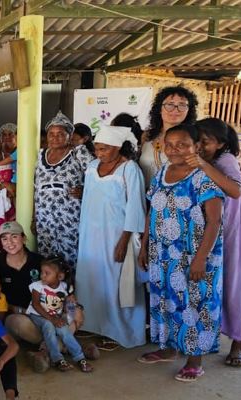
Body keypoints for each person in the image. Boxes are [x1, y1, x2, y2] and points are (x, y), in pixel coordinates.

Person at [137, 124, 223, 382]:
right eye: (169, 144)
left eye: (182, 144)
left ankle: (194, 361)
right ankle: (168, 348)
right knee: (165, 300)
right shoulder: (163, 171)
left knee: (194, 304)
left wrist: (200, 258)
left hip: (193, 255)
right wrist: (144, 245)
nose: (174, 150)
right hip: (162, 253)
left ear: (196, 147)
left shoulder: (205, 176)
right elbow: (152, 210)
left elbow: (214, 222)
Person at [191, 118, 241, 368]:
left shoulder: (226, 160)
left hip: (235, 231)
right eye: (197, 141)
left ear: (221, 143)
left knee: (236, 286)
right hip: (213, 231)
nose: (200, 146)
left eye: (206, 142)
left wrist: (201, 163)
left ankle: (238, 343)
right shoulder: (206, 161)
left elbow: (234, 189)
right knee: (214, 288)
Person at [75, 125, 147, 350]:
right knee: (91, 278)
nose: (99, 153)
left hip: (116, 236)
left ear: (117, 147)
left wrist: (124, 241)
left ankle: (119, 331)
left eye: (104, 149)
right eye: (97, 148)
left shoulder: (129, 169)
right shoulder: (92, 166)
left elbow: (136, 206)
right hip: (91, 233)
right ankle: (94, 325)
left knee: (117, 282)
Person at [0, 222, 94, 373]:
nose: (10, 242)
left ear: (24, 238)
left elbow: (62, 287)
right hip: (22, 315)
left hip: (51, 311)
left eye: (14, 237)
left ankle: (44, 353)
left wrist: (75, 307)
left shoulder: (39, 261)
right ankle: (69, 348)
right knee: (19, 322)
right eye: (5, 239)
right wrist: (13, 308)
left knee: (75, 315)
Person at [33, 111, 94, 267]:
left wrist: (85, 190)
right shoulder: (40, 155)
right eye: (51, 134)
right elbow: (35, 190)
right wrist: (34, 218)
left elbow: (99, 178)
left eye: (60, 134)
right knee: (47, 260)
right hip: (44, 218)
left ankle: (71, 291)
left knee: (71, 258)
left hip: (70, 218)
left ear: (70, 135)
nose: (55, 137)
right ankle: (50, 292)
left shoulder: (78, 153)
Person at [27, 258, 93, 373]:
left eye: (47, 273)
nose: (42, 276)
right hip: (38, 315)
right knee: (48, 326)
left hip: (55, 317)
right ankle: (57, 359)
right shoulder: (37, 286)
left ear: (60, 276)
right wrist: (52, 319)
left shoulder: (65, 287)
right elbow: (36, 305)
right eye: (42, 272)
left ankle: (80, 358)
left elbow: (69, 305)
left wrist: (72, 312)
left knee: (64, 330)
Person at [139, 86, 199, 188]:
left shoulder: (194, 138)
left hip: (175, 199)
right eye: (170, 104)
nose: (175, 110)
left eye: (182, 105)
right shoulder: (147, 136)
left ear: (189, 110)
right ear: (159, 109)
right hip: (143, 198)